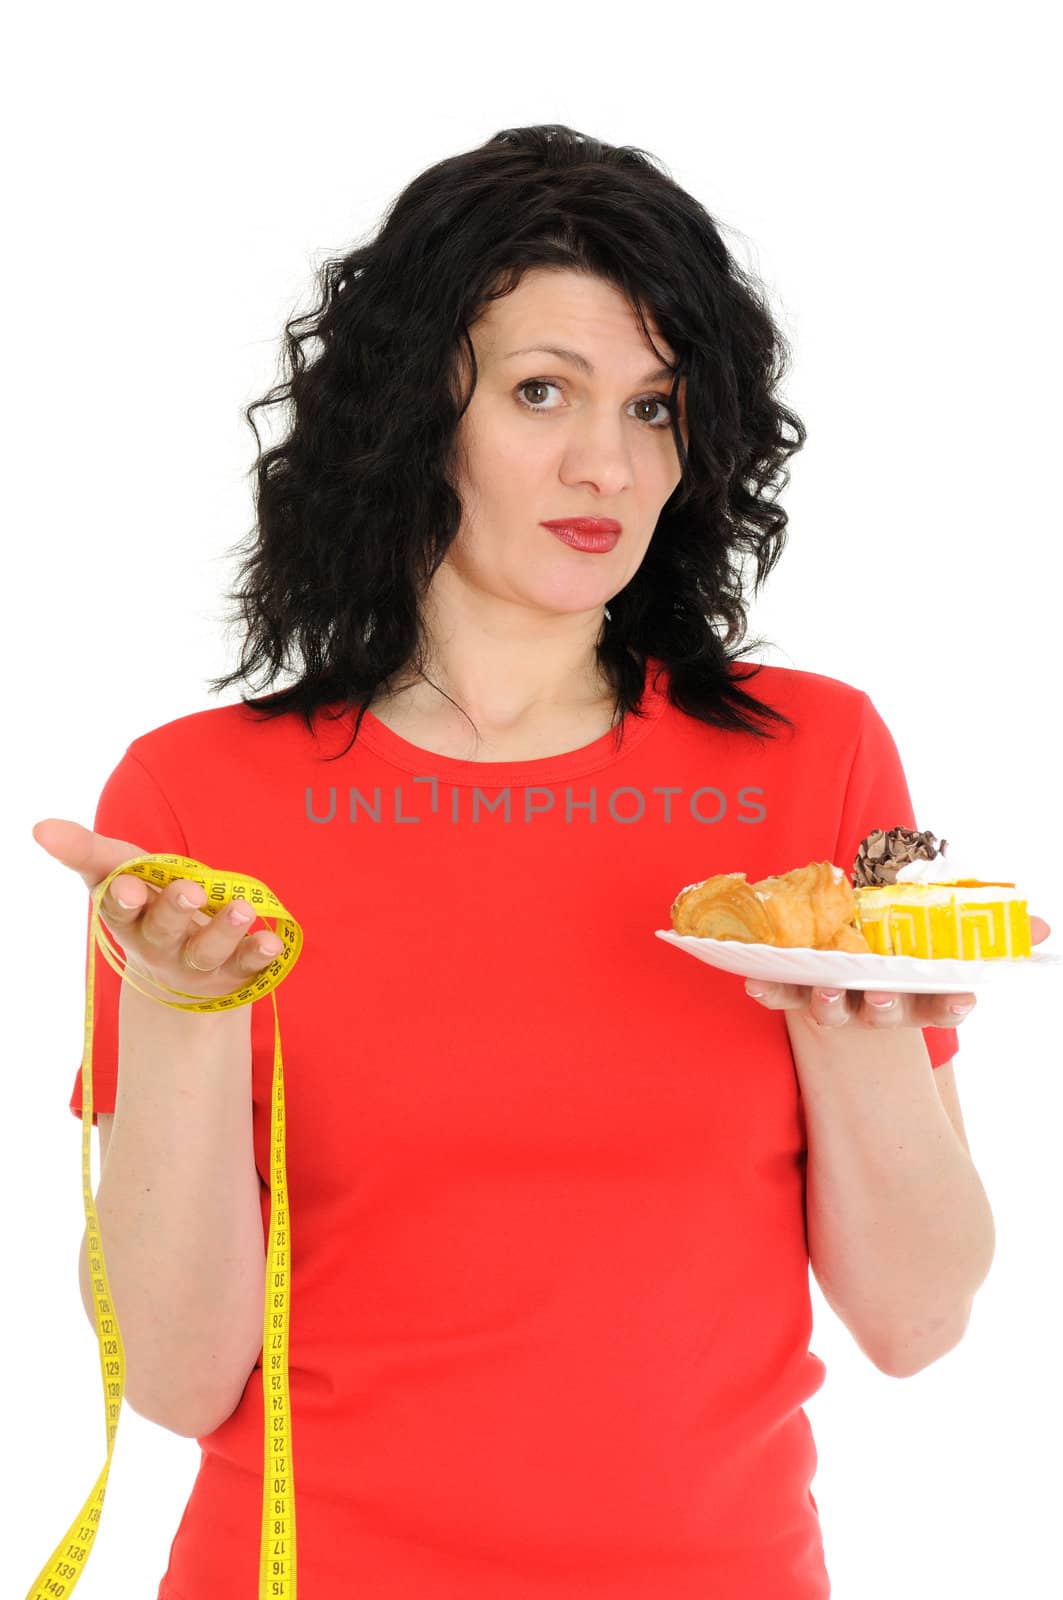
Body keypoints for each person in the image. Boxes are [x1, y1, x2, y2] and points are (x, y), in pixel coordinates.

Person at [33, 123, 998, 1598]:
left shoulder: (809, 765)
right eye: (542, 391)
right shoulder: (196, 804)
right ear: (420, 410)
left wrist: (851, 1023)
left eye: (656, 407)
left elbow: (918, 1325)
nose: (605, 462)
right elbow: (174, 1379)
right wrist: (182, 1012)